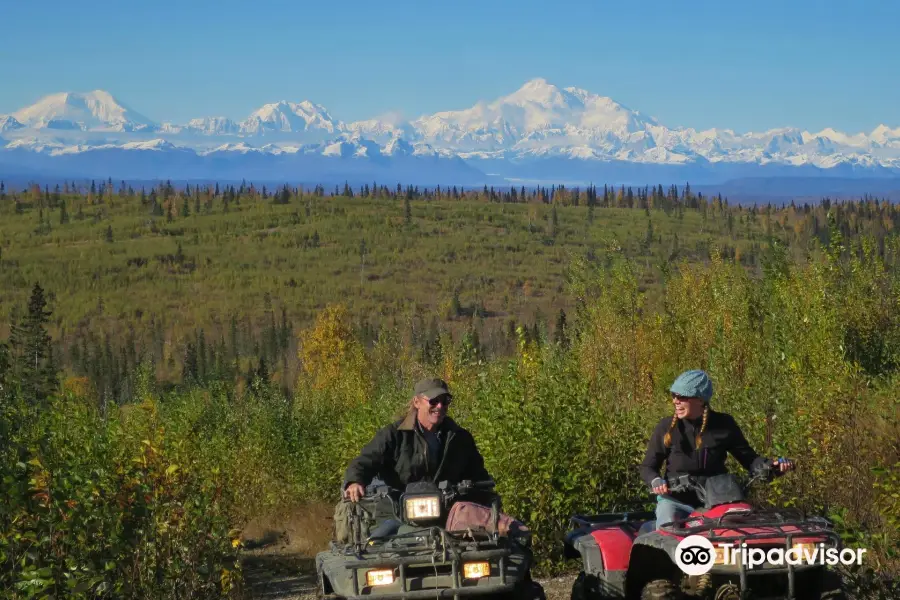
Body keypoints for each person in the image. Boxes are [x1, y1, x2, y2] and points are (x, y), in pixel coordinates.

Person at [639, 369, 794, 529]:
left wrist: (772, 467)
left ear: (700, 400)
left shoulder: (724, 424)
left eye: (682, 397)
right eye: (674, 396)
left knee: (740, 534)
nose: (675, 401)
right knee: (668, 532)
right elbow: (647, 467)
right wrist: (655, 480)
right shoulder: (666, 427)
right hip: (676, 502)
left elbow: (750, 460)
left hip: (718, 502)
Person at [343, 377, 493, 502]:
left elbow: (478, 476)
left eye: (445, 400)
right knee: (378, 536)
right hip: (399, 509)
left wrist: (483, 491)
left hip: (449, 510)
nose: (440, 406)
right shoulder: (394, 435)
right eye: (433, 401)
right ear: (417, 402)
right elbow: (365, 461)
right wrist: (355, 482)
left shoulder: (460, 438)